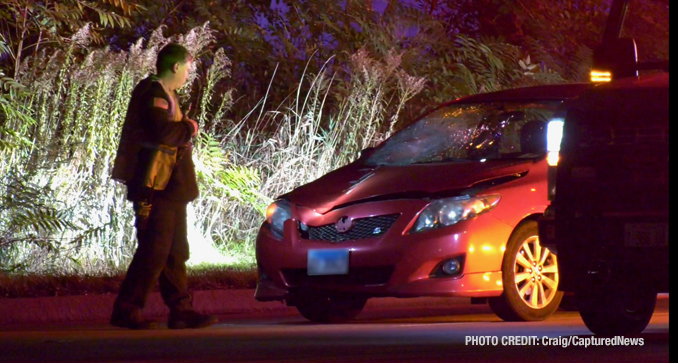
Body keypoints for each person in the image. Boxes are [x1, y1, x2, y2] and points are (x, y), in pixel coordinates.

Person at [110, 43, 218, 330]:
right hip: (153, 187)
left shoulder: (169, 95)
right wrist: (189, 128)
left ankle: (181, 310)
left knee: (175, 251)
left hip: (170, 188)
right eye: (188, 67)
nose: (189, 74)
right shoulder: (152, 93)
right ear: (175, 66)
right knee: (154, 249)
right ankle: (127, 309)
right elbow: (164, 133)